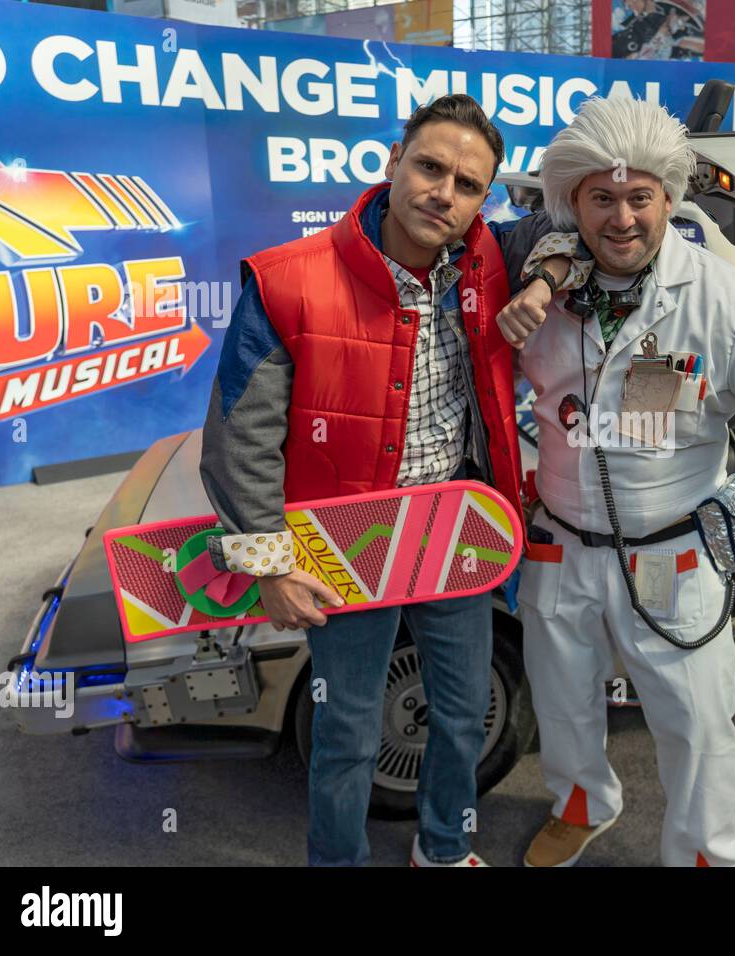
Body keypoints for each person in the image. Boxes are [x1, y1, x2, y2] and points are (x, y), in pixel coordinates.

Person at [495, 93, 735, 867]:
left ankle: (707, 854)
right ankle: (581, 804)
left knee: (697, 725)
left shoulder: (720, 298)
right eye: (602, 198)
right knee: (563, 705)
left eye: (641, 197)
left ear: (669, 197)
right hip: (557, 547)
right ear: (573, 202)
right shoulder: (537, 289)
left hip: (672, 554)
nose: (623, 217)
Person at [199, 93, 570, 867]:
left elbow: (573, 225)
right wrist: (268, 564)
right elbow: (240, 438)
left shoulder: (490, 260)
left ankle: (441, 849)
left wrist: (543, 282)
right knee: (347, 731)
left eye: (469, 185)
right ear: (392, 164)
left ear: (484, 200)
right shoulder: (288, 281)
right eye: (430, 167)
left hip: (454, 533)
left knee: (465, 715)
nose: (445, 193)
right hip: (342, 543)